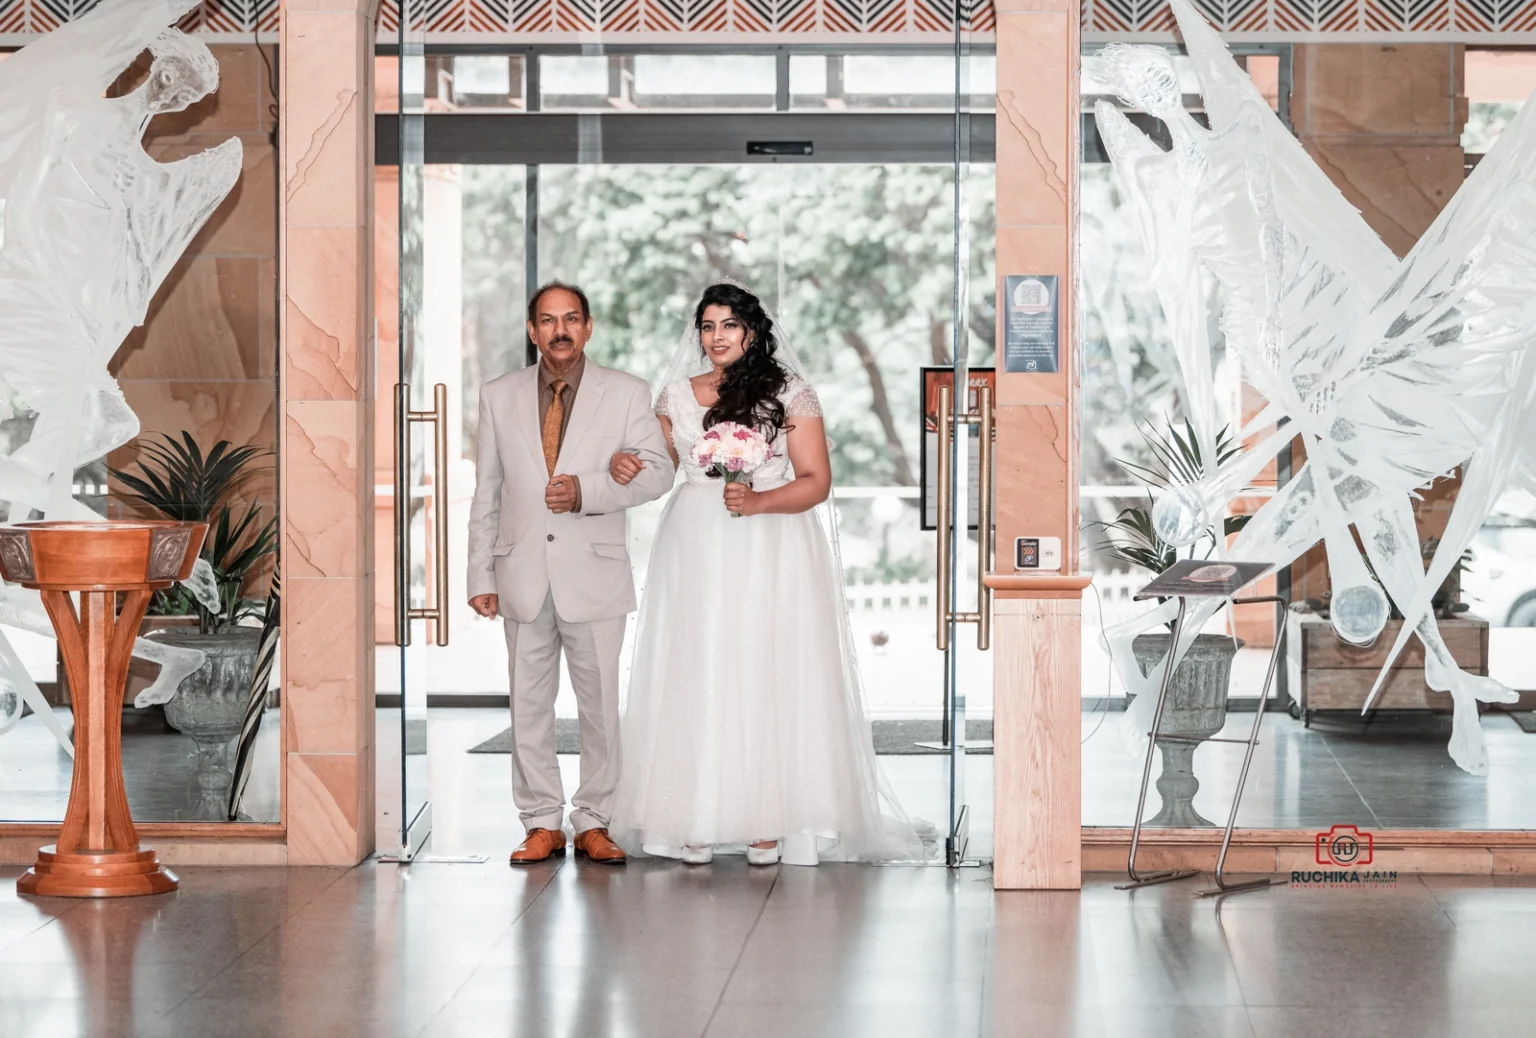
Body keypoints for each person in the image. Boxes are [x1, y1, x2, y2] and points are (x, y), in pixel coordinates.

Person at [608, 282, 924, 866]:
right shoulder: (676, 395)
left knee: (765, 666)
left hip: (771, 541)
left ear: (752, 331)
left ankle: (771, 820)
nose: (717, 336)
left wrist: (756, 502)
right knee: (698, 662)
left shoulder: (791, 393)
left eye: (729, 324)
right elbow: (656, 469)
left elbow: (815, 480)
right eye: (707, 326)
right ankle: (694, 815)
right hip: (696, 541)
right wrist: (624, 463)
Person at [466, 282, 675, 866]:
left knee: (600, 708)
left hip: (595, 573)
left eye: (572, 319)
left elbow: (659, 474)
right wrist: (479, 574)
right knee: (526, 708)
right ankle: (539, 822)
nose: (560, 330)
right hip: (521, 573)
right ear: (533, 331)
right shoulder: (498, 394)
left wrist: (589, 490)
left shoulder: (627, 393)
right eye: (548, 320)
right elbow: (488, 490)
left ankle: (594, 821)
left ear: (588, 328)